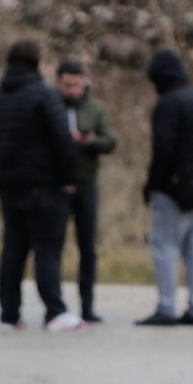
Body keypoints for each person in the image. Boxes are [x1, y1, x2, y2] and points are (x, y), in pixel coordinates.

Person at [0, 40, 82, 332]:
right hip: (45, 186)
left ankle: (9, 314)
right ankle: (55, 311)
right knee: (48, 249)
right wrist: (68, 178)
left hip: (9, 187)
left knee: (13, 248)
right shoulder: (44, 96)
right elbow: (62, 140)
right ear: (37, 63)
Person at [137, 49, 193, 327]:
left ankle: (166, 307)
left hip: (173, 187)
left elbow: (163, 150)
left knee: (165, 246)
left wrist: (152, 185)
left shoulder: (168, 105)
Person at [56, 60, 116, 323]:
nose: (73, 90)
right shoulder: (52, 106)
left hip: (86, 184)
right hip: (57, 186)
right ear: (59, 83)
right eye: (68, 85)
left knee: (87, 248)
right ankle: (56, 306)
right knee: (53, 247)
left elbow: (109, 141)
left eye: (77, 85)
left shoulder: (95, 109)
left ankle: (87, 306)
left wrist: (91, 141)